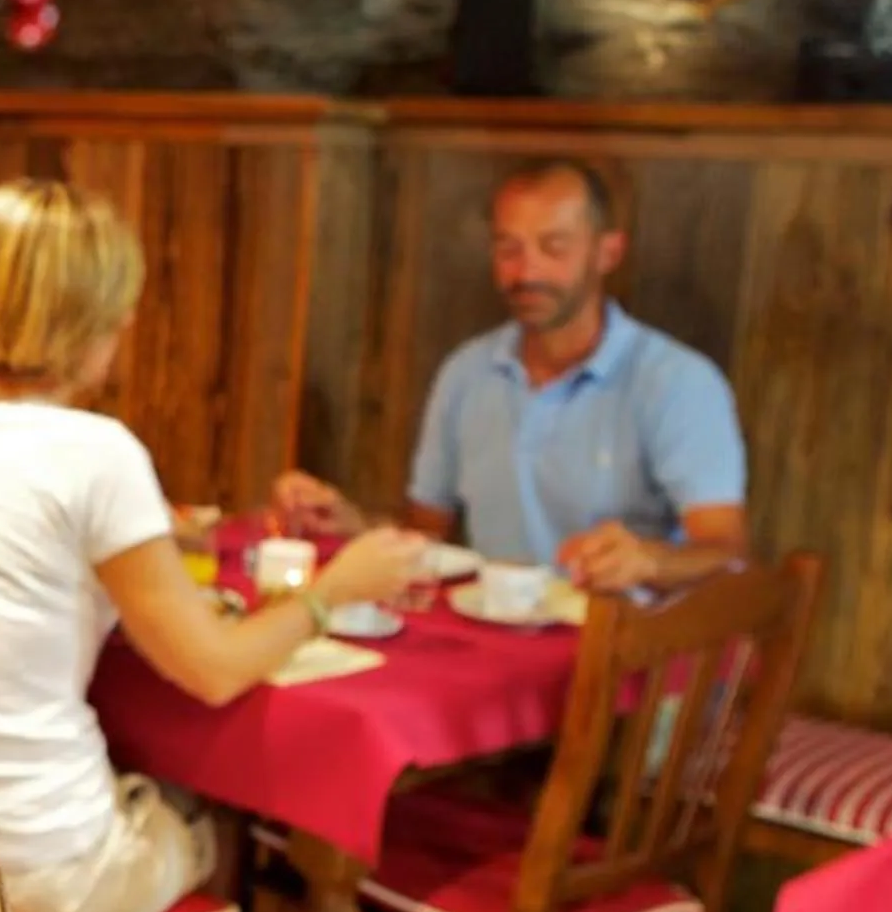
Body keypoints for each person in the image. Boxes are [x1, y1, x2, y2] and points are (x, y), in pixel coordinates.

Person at [0, 180, 427, 912]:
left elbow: (25, 545)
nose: (130, 319)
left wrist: (159, 538)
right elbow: (212, 671)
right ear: (91, 317)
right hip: (41, 877)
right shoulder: (98, 455)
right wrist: (337, 590)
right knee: (244, 827)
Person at [275, 158, 748, 593]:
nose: (527, 271)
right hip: (494, 634)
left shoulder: (676, 381)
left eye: (553, 247)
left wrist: (649, 560)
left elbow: (726, 551)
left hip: (627, 652)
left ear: (607, 253)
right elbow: (425, 534)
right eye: (508, 249)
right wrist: (352, 525)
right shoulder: (467, 371)